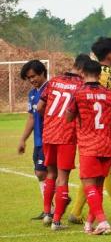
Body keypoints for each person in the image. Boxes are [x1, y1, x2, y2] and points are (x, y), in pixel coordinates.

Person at [66, 60, 111, 235]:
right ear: (100, 75)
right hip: (106, 144)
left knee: (88, 184)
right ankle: (89, 224)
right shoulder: (109, 94)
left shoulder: (78, 93)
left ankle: (103, 221)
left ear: (82, 74)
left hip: (88, 145)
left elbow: (69, 118)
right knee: (98, 185)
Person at [37, 54, 88, 228]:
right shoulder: (81, 85)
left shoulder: (53, 81)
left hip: (49, 133)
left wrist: (51, 119)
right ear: (82, 69)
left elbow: (39, 107)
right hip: (66, 135)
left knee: (51, 174)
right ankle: (57, 221)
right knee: (63, 178)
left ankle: (47, 213)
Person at [17, 60, 48, 220]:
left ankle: (53, 205)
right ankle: (49, 208)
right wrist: (23, 139)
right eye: (28, 78)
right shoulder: (33, 93)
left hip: (49, 139)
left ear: (43, 73)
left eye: (33, 76)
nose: (31, 80)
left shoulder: (50, 91)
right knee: (42, 174)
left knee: (41, 172)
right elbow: (31, 117)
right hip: (38, 140)